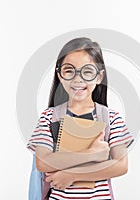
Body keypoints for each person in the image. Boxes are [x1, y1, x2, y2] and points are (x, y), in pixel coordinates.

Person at [27, 37, 133, 200]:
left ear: (99, 77)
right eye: (69, 70)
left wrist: (73, 175)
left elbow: (120, 165)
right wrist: (92, 155)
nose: (78, 79)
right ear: (60, 75)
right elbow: (43, 162)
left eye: (87, 71)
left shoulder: (111, 119)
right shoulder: (50, 117)